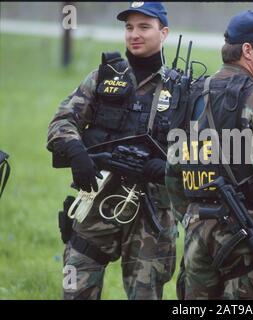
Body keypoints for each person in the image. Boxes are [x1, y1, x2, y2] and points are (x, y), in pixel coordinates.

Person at [165, 10, 253, 300]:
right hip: (246, 239)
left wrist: (192, 218)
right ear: (247, 50)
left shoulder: (192, 93)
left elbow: (172, 173)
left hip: (196, 236)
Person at [47, 2, 177, 300]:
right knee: (76, 288)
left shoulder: (181, 87)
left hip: (152, 211)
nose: (134, 34)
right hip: (97, 201)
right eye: (129, 27)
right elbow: (63, 120)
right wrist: (77, 153)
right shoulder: (104, 76)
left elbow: (201, 149)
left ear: (164, 32)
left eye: (144, 27)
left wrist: (166, 167)